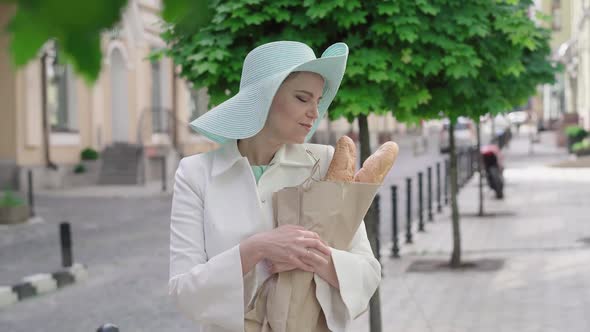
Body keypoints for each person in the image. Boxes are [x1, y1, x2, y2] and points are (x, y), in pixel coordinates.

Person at [169, 41, 381, 332]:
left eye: (317, 101)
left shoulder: (325, 165)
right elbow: (184, 292)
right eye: (302, 98)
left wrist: (311, 257)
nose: (314, 112)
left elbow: (368, 273)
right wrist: (258, 248)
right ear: (264, 98)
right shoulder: (195, 174)